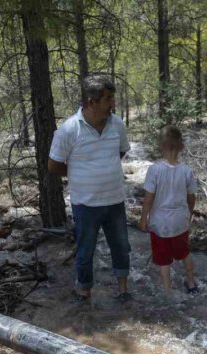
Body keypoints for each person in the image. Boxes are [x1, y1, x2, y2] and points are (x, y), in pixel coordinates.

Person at [47, 74, 131, 301]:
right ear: (91, 102)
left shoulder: (117, 124)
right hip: (85, 203)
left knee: (121, 247)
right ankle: (83, 290)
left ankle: (123, 290)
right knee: (85, 250)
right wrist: (79, 174)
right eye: (108, 99)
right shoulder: (68, 130)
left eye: (112, 98)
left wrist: (103, 169)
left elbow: (121, 151)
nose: (112, 104)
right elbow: (53, 164)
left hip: (115, 200)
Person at [138, 125, 198, 294]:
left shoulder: (154, 170)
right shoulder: (186, 170)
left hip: (160, 223)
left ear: (161, 146)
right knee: (184, 252)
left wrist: (143, 219)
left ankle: (167, 291)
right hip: (180, 221)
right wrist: (189, 214)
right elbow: (191, 198)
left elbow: (149, 199)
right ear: (181, 147)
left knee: (164, 259)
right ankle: (191, 283)